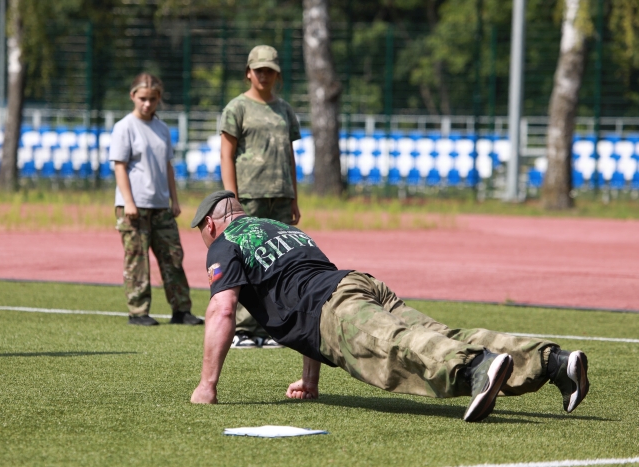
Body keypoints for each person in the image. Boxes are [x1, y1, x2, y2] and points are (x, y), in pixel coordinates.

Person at [188, 191, 591, 422]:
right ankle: (554, 361)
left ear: (210, 224)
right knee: (441, 334)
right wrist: (310, 381)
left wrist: (207, 386)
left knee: (398, 345)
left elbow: (223, 311)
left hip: (335, 308)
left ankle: (476, 368)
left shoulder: (225, 245)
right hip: (359, 284)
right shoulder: (283, 228)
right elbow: (301, 288)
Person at [219, 45, 302, 349]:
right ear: (248, 73)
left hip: (280, 196)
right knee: (248, 260)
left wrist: (293, 197)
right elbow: (226, 155)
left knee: (279, 262)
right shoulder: (237, 108)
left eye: (270, 70)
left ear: (277, 74)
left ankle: (272, 328)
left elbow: (290, 157)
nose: (264, 75)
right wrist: (232, 199)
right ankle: (243, 328)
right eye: (259, 70)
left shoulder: (284, 109)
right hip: (249, 196)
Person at [110, 73, 202, 326]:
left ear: (159, 99)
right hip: (134, 206)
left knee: (173, 256)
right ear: (133, 97)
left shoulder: (162, 129)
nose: (147, 104)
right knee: (137, 260)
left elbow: (168, 166)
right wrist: (128, 202)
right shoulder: (124, 127)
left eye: (152, 99)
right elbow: (120, 167)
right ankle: (138, 311)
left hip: (161, 205)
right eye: (142, 99)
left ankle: (181, 310)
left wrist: (174, 199)